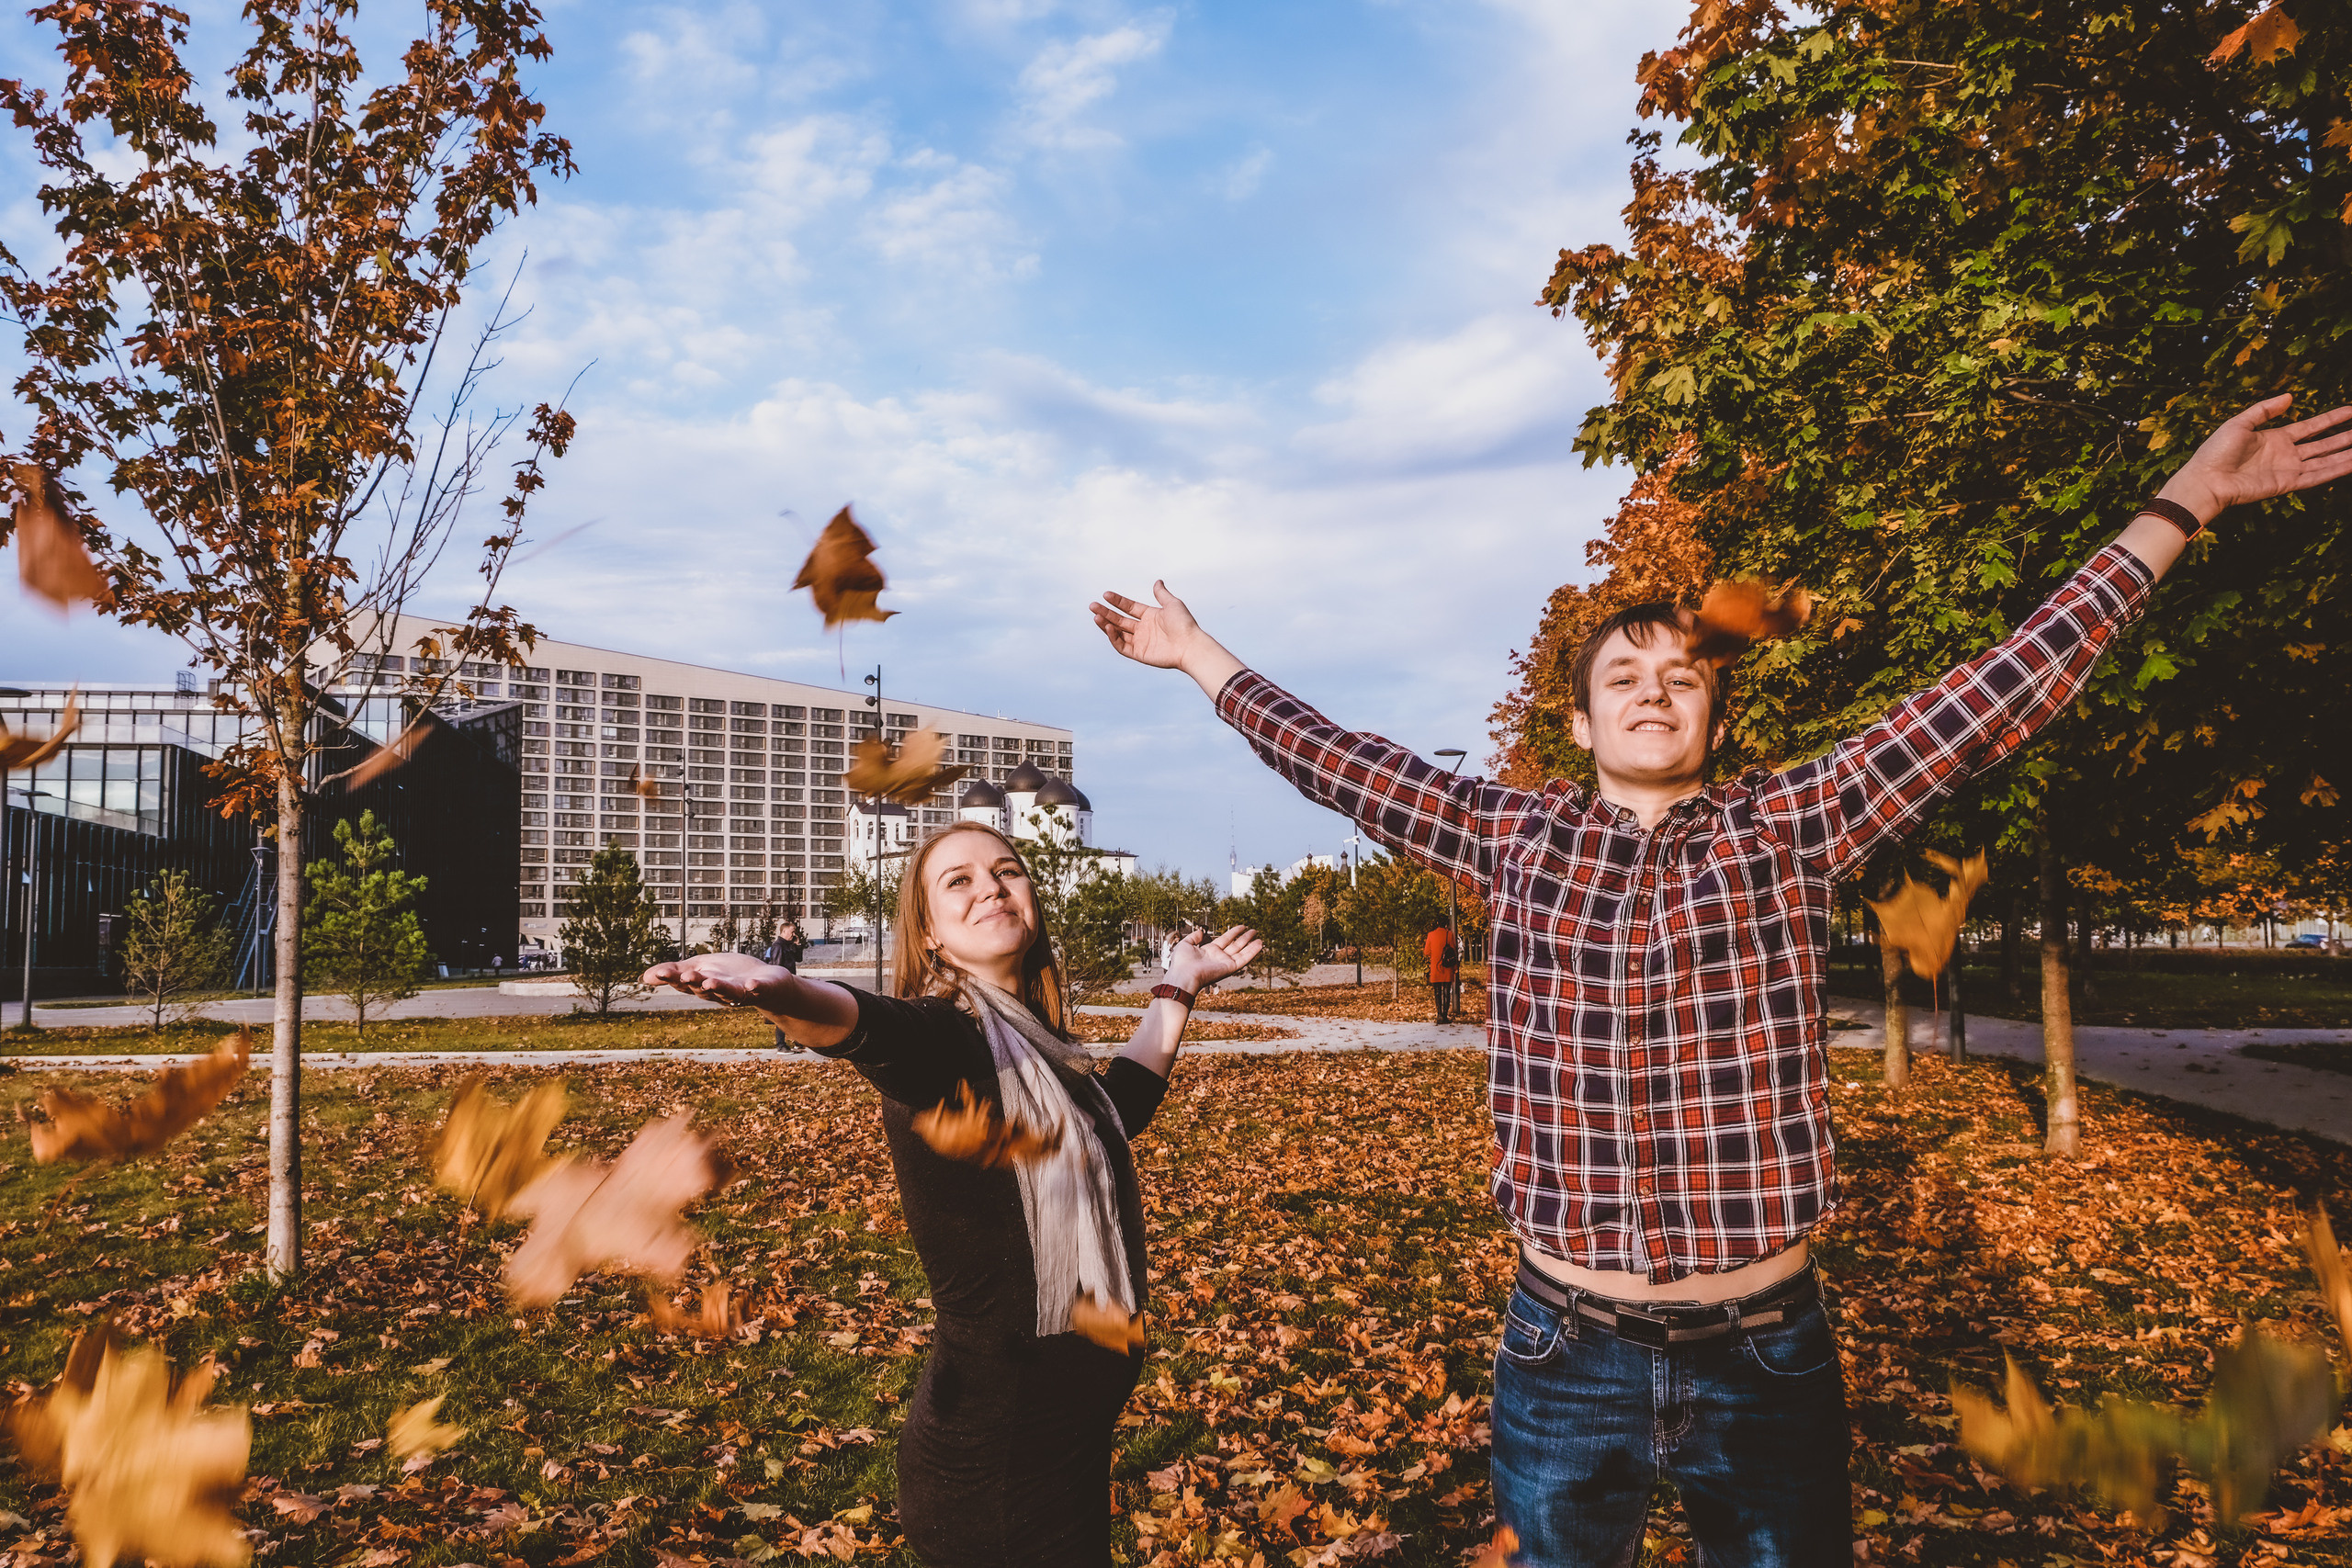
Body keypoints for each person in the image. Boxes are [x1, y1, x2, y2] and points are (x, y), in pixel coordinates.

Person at [1092, 394, 2352, 1567]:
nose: (1654, 692)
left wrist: (2184, 497)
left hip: (1766, 1348)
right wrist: (1198, 649)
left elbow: (1997, 693)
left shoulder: (1789, 824)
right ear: (1579, 724)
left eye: (1681, 676)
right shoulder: (1512, 835)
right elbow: (1336, 760)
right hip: (1563, 1345)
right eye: (1623, 679)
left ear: (1715, 713)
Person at [647, 822, 1262, 1568]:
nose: (992, 887)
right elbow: (871, 1026)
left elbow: (1111, 1111)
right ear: (930, 934)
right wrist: (786, 993)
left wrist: (1178, 985)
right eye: (959, 881)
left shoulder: (1035, 1048)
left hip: (1058, 1448)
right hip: (997, 1474)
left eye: (1007, 870)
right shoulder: (946, 1043)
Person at [1423, 921, 1460, 1023]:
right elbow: (1453, 951)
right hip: (1447, 967)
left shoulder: (1431, 935)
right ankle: (1445, 1015)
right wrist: (1455, 967)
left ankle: (1439, 1015)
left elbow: (1426, 952)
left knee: (1437, 992)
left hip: (1436, 967)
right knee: (1447, 992)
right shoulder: (1449, 934)